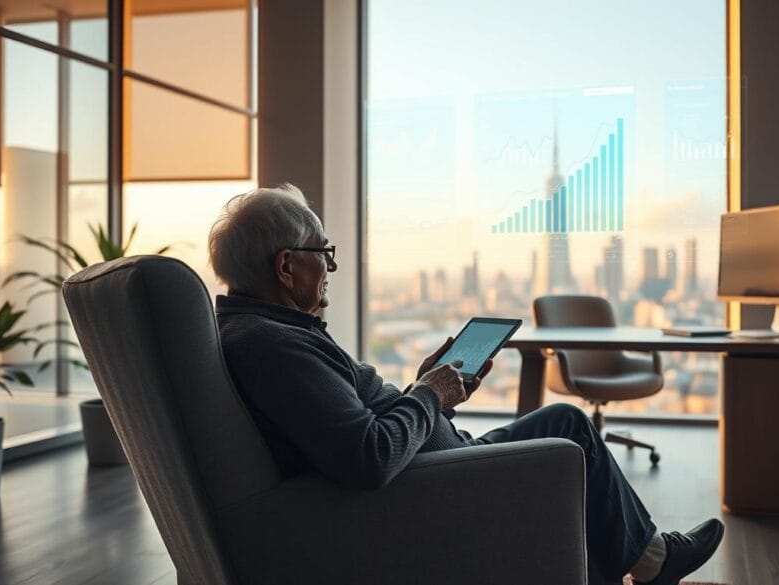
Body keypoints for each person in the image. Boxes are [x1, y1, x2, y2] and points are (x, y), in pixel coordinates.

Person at [208, 184, 724, 585]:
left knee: (566, 423)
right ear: (285, 265)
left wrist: (429, 396)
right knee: (569, 433)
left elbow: (356, 430)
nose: (330, 268)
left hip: (432, 460)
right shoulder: (275, 347)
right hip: (429, 484)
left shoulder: (269, 332)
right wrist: (430, 394)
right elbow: (367, 457)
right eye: (324, 253)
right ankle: (654, 562)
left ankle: (647, 559)